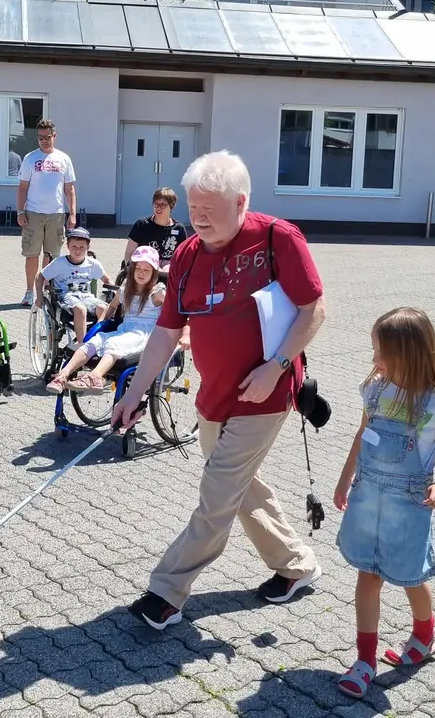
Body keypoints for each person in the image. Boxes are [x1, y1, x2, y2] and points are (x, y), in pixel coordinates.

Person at [109, 151, 326, 630]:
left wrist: (277, 366)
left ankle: (166, 592)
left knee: (217, 494)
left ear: (242, 201)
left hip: (265, 396)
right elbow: (165, 334)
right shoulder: (185, 253)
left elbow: (314, 311)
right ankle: (295, 565)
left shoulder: (276, 239)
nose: (198, 218)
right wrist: (133, 395)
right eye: (193, 207)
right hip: (214, 397)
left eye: (210, 208)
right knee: (239, 486)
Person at [333, 307, 435, 697]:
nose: (373, 360)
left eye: (379, 352)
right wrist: (344, 478)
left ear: (407, 353)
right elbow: (362, 434)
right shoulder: (375, 388)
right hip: (368, 494)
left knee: (410, 576)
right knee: (368, 574)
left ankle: (424, 636)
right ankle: (364, 661)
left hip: (409, 504)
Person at [46, 245, 163, 395]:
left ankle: (94, 377)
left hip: (144, 333)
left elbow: (175, 310)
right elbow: (112, 307)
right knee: (95, 341)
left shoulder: (157, 292)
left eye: (147, 270)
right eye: (138, 268)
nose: (141, 273)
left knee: (113, 343)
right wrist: (100, 322)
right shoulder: (126, 288)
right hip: (125, 329)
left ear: (154, 273)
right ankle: (62, 375)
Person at [16, 119, 76, 307]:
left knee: (52, 256)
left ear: (54, 136)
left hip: (56, 214)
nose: (44, 141)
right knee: (32, 254)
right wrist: (20, 211)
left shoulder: (64, 158)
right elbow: (22, 188)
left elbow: (70, 189)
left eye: (47, 137)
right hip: (33, 213)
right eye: (40, 138)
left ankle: (47, 290)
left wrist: (72, 213)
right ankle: (28, 292)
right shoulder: (30, 158)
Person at [36, 228, 108, 352]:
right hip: (65, 295)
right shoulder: (60, 263)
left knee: (104, 308)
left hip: (86, 296)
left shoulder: (93, 264)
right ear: (68, 246)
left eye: (82, 247)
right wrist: (39, 296)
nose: (78, 250)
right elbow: (40, 276)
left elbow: (107, 281)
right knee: (80, 309)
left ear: (88, 247)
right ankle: (82, 346)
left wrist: (117, 293)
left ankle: (99, 341)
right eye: (74, 246)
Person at [123, 187, 191, 276]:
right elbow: (129, 252)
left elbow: (183, 257)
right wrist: (130, 268)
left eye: (163, 205)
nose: (158, 208)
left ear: (171, 206)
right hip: (145, 264)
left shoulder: (179, 229)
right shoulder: (141, 225)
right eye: (156, 204)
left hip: (168, 267)